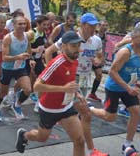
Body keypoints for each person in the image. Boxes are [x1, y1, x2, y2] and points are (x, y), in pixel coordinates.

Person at [45, 12, 108, 156]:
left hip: (85, 77)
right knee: (85, 113)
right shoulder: (71, 38)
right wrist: (51, 72)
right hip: (71, 79)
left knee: (78, 113)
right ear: (83, 25)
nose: (93, 29)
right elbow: (49, 51)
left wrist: (99, 61)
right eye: (91, 26)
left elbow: (100, 57)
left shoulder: (96, 40)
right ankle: (90, 149)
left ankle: (64, 125)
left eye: (95, 26)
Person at [15, 31, 85, 155]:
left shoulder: (75, 61)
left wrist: (76, 93)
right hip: (49, 109)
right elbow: (36, 86)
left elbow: (69, 81)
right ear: (63, 46)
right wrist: (63, 89)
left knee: (79, 140)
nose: (77, 49)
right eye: (73, 46)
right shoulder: (56, 63)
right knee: (42, 137)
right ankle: (24, 135)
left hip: (66, 107)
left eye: (79, 46)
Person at [90, 26, 140, 154]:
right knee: (110, 117)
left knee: (136, 112)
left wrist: (136, 84)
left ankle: (127, 144)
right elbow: (112, 72)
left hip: (129, 87)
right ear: (134, 38)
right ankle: (89, 109)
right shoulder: (126, 52)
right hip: (114, 87)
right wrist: (128, 87)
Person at [0, 16, 35, 121]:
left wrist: (31, 59)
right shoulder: (8, 38)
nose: (22, 26)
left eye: (24, 24)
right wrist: (17, 57)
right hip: (7, 68)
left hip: (20, 68)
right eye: (20, 24)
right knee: (3, 92)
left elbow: (28, 49)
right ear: (13, 25)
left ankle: (17, 105)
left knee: (28, 90)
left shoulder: (27, 36)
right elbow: (4, 58)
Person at [88, 20, 109, 102]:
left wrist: (102, 58)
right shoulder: (93, 34)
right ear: (99, 26)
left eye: (106, 26)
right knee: (84, 76)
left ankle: (92, 93)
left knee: (99, 75)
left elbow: (103, 48)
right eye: (103, 25)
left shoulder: (105, 36)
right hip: (90, 57)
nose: (105, 27)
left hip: (98, 58)